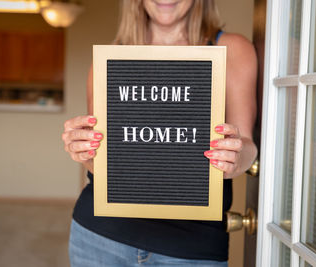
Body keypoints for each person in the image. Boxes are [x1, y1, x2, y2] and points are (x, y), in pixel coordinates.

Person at [62, 0, 257, 266]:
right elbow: (103, 163)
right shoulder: (109, 59)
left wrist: (235, 157)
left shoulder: (232, 49)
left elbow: (247, 146)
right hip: (101, 237)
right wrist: (82, 149)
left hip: (192, 247)